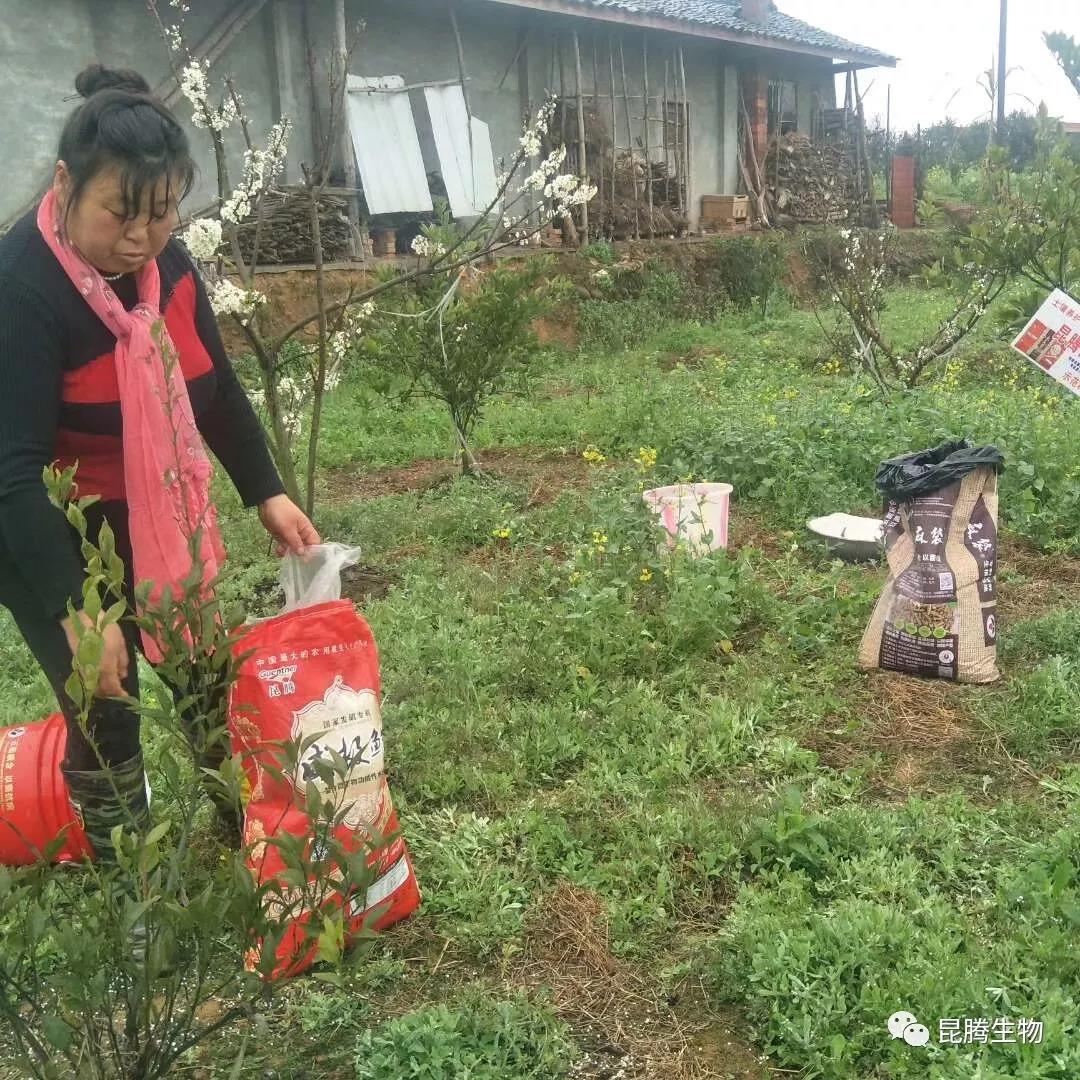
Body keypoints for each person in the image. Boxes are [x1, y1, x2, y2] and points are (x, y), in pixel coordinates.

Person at [0, 64, 319, 864]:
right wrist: (81, 612)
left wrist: (267, 492)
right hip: (44, 519)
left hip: (155, 512)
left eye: (164, 212)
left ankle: (241, 830)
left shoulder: (165, 268)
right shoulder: (22, 291)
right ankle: (129, 888)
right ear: (66, 183)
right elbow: (13, 474)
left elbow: (209, 387)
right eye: (120, 214)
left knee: (203, 670)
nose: (141, 236)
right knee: (103, 698)